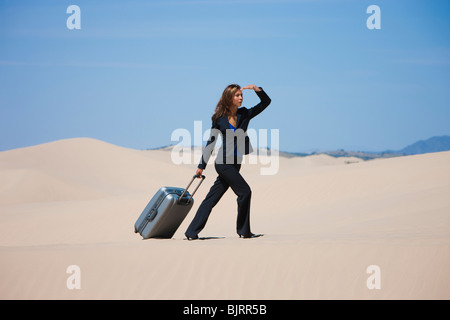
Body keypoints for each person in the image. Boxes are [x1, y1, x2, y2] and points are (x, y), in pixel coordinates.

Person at [185, 84, 271, 240]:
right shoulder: (219, 119)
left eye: (241, 95)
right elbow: (211, 143)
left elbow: (266, 102)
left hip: (236, 163)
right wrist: (201, 167)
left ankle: (191, 232)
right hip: (223, 163)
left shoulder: (245, 114)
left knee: (211, 199)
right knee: (245, 191)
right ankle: (244, 231)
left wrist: (256, 89)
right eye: (237, 95)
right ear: (229, 98)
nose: (240, 98)